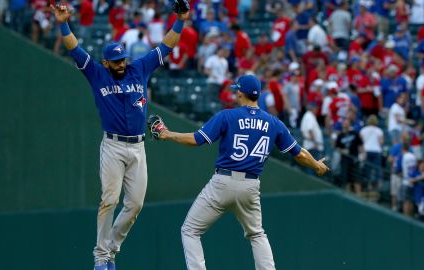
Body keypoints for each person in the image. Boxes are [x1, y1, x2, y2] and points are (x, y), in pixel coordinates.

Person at [51, 2, 190, 270]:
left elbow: (166, 46)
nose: (121, 63)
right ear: (106, 62)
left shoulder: (139, 68)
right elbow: (74, 48)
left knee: (135, 204)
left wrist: (181, 20)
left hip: (138, 147)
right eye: (115, 61)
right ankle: (101, 258)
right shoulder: (97, 73)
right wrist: (62, 23)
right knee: (109, 200)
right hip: (113, 146)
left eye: (122, 58)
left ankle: (110, 250)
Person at [149, 74, 329, 270]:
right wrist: (316, 165)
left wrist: (166, 134)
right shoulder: (274, 122)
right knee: (257, 234)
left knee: (190, 230)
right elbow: (299, 154)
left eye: (237, 90)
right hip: (250, 186)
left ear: (241, 93)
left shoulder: (227, 115)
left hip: (222, 182)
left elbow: (196, 139)